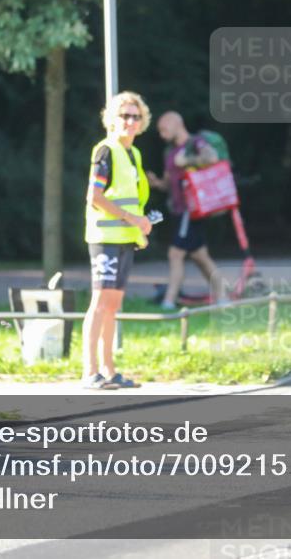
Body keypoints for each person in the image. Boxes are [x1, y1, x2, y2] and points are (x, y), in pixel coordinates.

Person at [82, 91, 152, 390]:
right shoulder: (105, 151)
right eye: (124, 115)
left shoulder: (133, 153)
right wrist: (132, 218)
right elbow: (94, 196)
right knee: (99, 303)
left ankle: (109, 371)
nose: (130, 121)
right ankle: (90, 372)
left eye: (136, 116)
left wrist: (140, 222)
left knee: (113, 305)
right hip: (105, 238)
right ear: (112, 119)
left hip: (125, 238)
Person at [145, 111, 224, 310]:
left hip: (192, 209)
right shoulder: (169, 152)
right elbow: (168, 182)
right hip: (178, 210)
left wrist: (187, 160)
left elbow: (212, 157)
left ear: (175, 123)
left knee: (175, 253)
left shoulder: (194, 143)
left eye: (164, 129)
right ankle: (223, 297)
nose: (162, 134)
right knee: (200, 256)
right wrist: (157, 183)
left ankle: (169, 301)